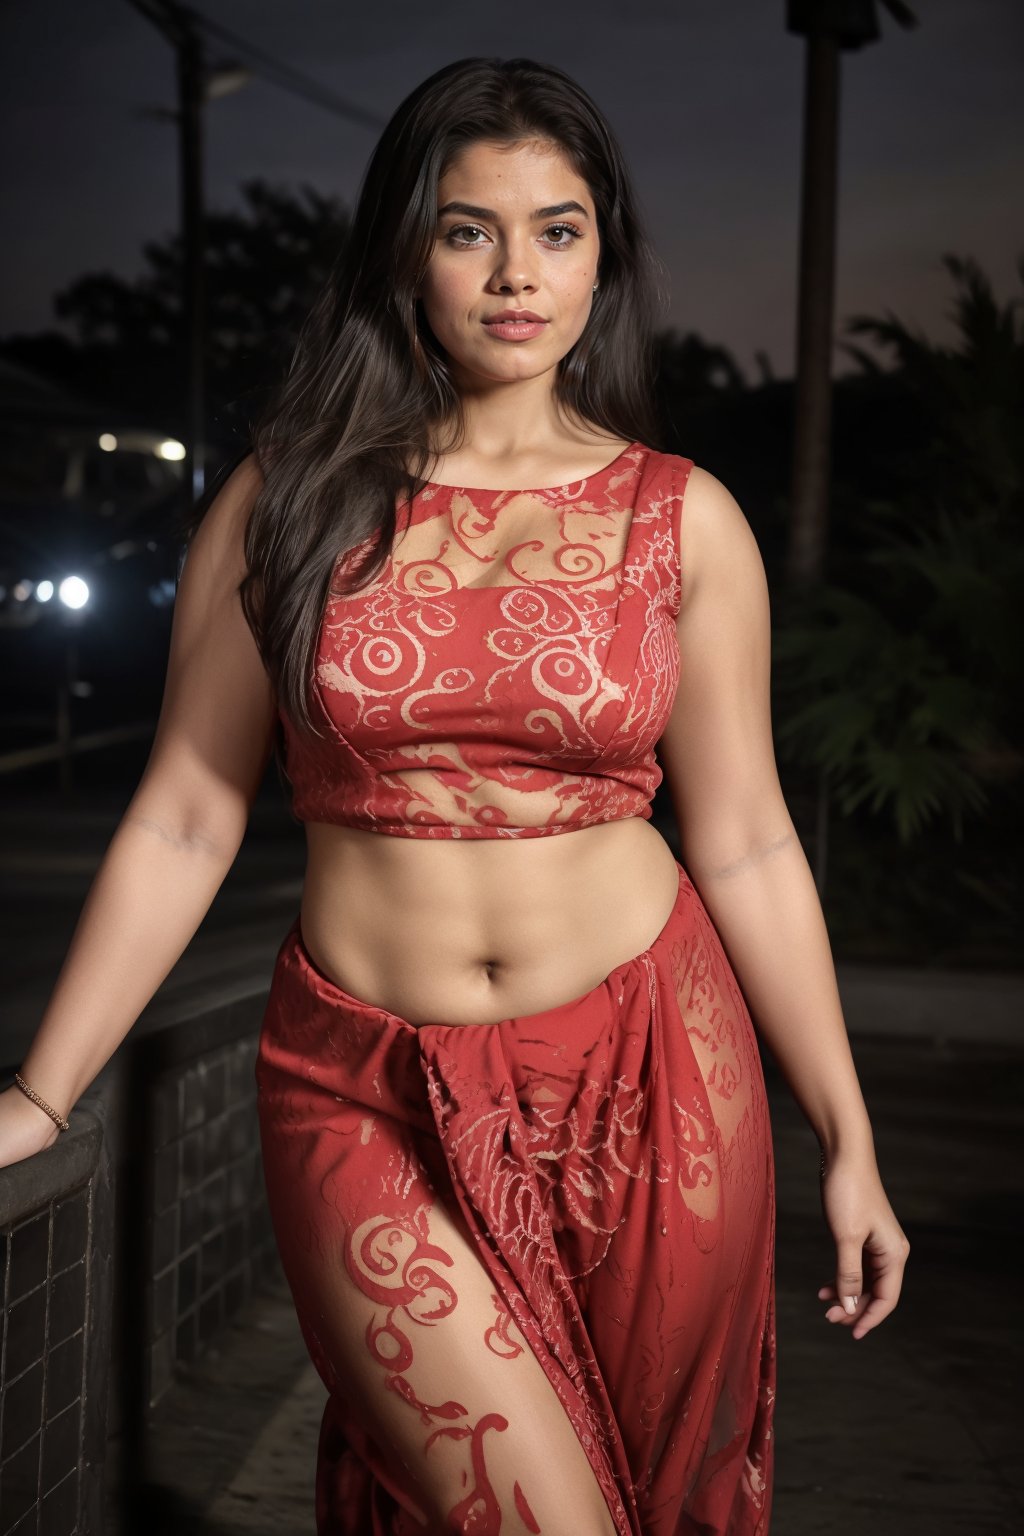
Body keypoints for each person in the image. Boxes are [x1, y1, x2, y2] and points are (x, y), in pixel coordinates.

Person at [1, 54, 910, 1536]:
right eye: (466, 227)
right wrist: (44, 1091)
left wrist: (848, 1136)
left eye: (557, 229)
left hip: (654, 1082)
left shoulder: (682, 518)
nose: (515, 273)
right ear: (403, 250)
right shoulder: (286, 500)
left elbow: (744, 843)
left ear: (603, 252)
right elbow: (183, 811)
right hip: (363, 1093)